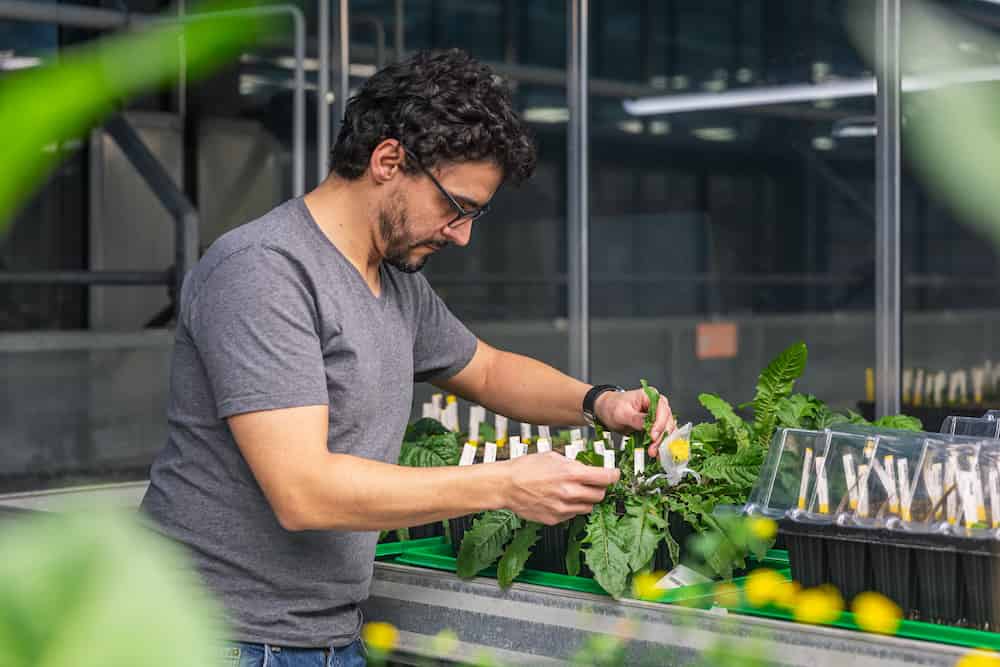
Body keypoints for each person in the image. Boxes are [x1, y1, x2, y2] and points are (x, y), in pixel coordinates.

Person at [140, 48, 675, 666]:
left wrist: (600, 404)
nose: (462, 234)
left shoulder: (392, 279)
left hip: (321, 633)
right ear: (389, 160)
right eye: (456, 207)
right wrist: (503, 485)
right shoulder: (264, 271)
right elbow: (302, 491)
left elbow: (489, 369)